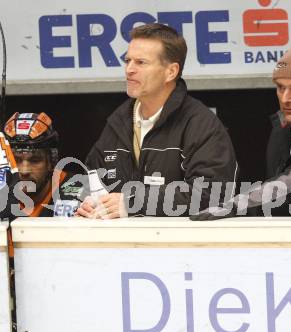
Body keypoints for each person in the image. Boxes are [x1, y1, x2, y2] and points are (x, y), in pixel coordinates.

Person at [77, 23, 237, 219]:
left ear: (171, 72)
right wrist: (85, 202)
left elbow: (211, 195)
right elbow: (88, 179)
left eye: (141, 62)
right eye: (128, 61)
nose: (129, 70)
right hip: (121, 248)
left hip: (181, 248)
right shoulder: (118, 122)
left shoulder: (201, 124)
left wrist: (133, 201)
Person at [191, 43, 291, 220]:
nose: (286, 98)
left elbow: (289, 185)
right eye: (280, 87)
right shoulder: (282, 129)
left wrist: (234, 206)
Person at [3, 112, 84, 218]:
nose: (24, 171)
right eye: (15, 160)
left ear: (52, 161)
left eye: (35, 160)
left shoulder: (82, 195)